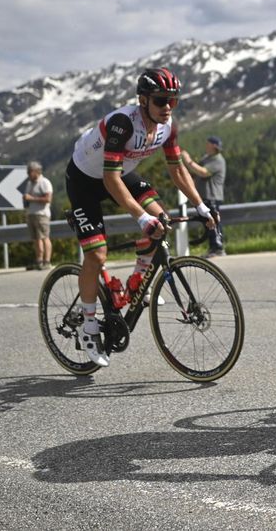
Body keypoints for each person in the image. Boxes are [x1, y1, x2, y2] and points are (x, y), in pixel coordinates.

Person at [66, 67, 217, 366]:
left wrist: (200, 205)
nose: (168, 107)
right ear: (143, 99)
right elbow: (110, 180)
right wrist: (140, 218)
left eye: (173, 100)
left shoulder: (168, 125)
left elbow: (177, 169)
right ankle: (89, 325)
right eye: (161, 100)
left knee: (162, 219)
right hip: (86, 180)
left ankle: (137, 283)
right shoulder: (123, 124)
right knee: (96, 256)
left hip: (122, 175)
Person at [181, 136, 227, 258]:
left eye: (208, 144)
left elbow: (203, 172)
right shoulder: (208, 158)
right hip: (205, 196)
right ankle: (213, 247)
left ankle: (217, 248)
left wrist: (188, 161)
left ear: (213, 146)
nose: (206, 145)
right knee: (208, 222)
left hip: (212, 196)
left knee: (213, 221)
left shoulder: (218, 160)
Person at [23, 162, 53, 270]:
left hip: (42, 214)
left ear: (37, 171)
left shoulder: (44, 182)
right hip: (31, 213)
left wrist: (31, 199)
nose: (28, 174)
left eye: (30, 171)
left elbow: (48, 199)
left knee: (44, 237)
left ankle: (47, 261)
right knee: (36, 239)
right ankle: (39, 261)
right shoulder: (29, 183)